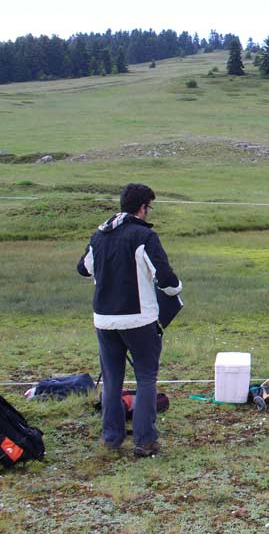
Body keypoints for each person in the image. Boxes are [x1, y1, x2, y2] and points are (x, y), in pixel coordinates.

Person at [77, 183, 181, 457]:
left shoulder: (99, 235)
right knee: (146, 378)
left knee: (112, 379)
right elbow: (165, 278)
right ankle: (145, 440)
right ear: (143, 208)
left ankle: (112, 438)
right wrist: (176, 290)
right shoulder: (144, 236)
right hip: (139, 321)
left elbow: (83, 269)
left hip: (105, 321)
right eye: (149, 207)